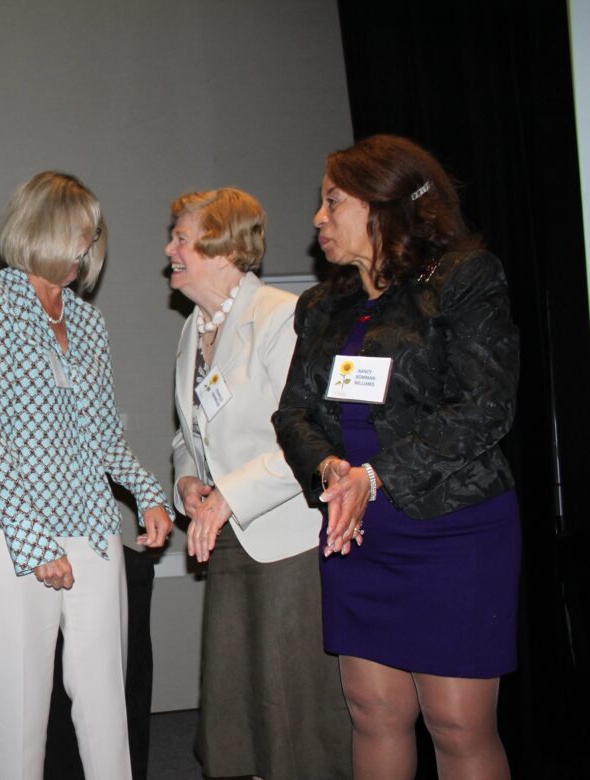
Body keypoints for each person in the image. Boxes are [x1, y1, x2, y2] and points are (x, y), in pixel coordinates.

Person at [273, 134, 520, 779]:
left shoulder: (465, 279)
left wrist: (375, 476)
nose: (318, 219)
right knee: (372, 710)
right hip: (355, 532)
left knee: (458, 723)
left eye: (332, 202)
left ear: (384, 204)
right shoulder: (322, 305)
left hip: (451, 528)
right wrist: (332, 470)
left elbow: (484, 408)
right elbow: (292, 412)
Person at [0, 170, 173, 780]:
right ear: (42, 227)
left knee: (104, 695)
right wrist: (31, 542)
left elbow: (102, 435)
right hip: (6, 529)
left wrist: (151, 494)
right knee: (21, 709)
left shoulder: (87, 321)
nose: (87, 244)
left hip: (89, 522)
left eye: (92, 232)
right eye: (78, 230)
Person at [166, 188, 351, 779]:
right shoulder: (193, 330)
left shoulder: (279, 317)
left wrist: (228, 495)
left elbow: (303, 435)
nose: (169, 248)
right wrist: (188, 479)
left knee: (295, 705)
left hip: (285, 539)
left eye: (181, 236)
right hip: (226, 537)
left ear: (222, 250)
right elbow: (188, 433)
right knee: (238, 701)